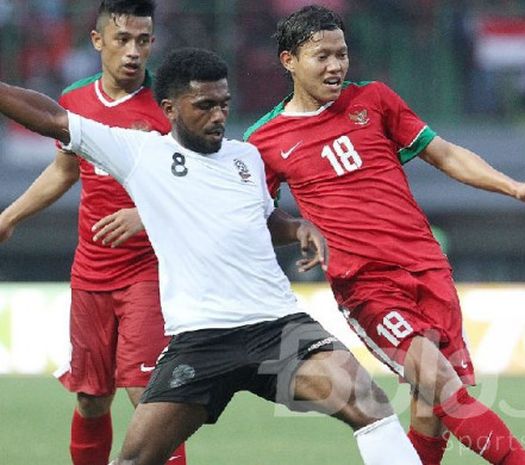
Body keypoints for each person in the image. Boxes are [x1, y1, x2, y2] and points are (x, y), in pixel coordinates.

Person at [0, 47, 425, 465]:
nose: (218, 115)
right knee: (135, 458)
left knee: (371, 406)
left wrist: (297, 228)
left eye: (223, 103)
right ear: (169, 107)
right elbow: (54, 119)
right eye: (204, 105)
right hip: (201, 340)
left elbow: (263, 217)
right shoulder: (140, 153)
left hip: (276, 326)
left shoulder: (245, 158)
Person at [245, 6, 525, 465]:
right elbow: (255, 217)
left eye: (342, 54)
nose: (336, 66)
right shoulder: (264, 140)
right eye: (322, 56)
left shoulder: (373, 100)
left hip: (427, 267)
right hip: (368, 285)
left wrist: (515, 187)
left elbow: (446, 154)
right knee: (443, 386)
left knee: (430, 407)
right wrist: (298, 232)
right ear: (288, 60)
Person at [0, 2, 188, 464]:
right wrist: (9, 217)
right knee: (90, 399)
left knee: (149, 399)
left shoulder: (170, 108)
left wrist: (144, 217)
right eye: (122, 39)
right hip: (90, 273)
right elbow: (65, 170)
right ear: (97, 40)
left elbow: (197, 191)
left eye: (143, 41)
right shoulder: (75, 100)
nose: (133, 52)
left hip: (149, 272)